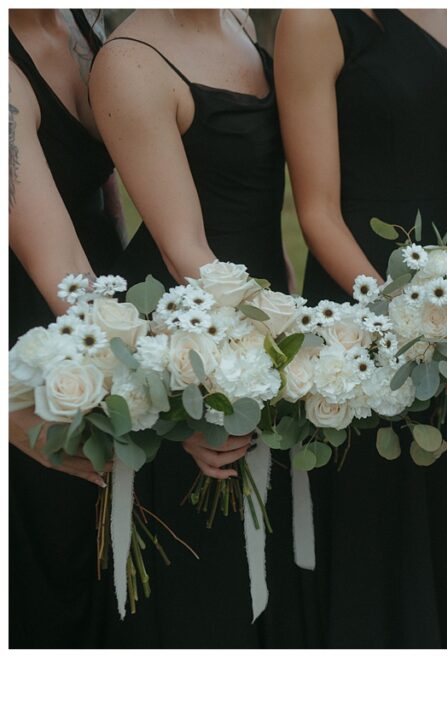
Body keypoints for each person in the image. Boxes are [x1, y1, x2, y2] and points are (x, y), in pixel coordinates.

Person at [275, 8, 447, 647]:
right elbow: (316, 211)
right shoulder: (315, 20)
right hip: (363, 313)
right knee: (378, 520)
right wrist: (394, 317)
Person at [90, 8, 309, 647]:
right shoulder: (129, 61)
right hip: (196, 335)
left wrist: (292, 306)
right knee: (210, 593)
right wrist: (274, 353)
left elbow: (268, 213)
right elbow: (184, 248)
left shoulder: (240, 20)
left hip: (262, 311)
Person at [8, 8, 124, 648]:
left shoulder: (87, 26)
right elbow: (63, 270)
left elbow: (108, 207)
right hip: (36, 342)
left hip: (99, 315)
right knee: (58, 578)